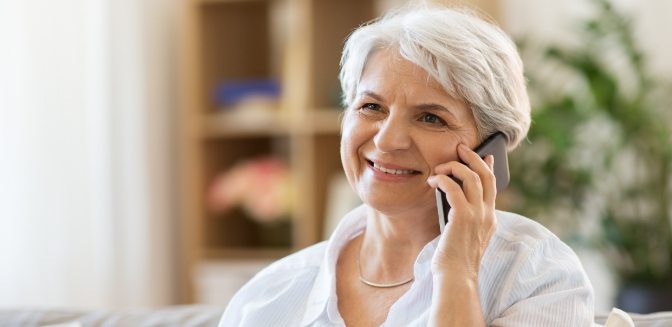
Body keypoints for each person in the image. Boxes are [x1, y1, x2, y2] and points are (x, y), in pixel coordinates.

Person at [219, 4, 594, 326]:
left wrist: (457, 274)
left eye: (430, 118)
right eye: (371, 107)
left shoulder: (536, 275)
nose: (386, 140)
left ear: (489, 150)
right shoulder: (267, 296)